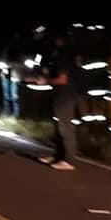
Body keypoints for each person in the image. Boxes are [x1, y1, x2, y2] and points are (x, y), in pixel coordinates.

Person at [38, 34, 82, 170]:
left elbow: (63, 79)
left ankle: (68, 160)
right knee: (59, 128)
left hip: (65, 96)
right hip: (63, 95)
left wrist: (46, 81)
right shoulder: (68, 54)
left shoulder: (64, 56)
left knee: (65, 128)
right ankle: (58, 156)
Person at [1, 32, 22, 116]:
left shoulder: (18, 49)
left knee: (13, 95)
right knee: (8, 95)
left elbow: (20, 62)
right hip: (8, 74)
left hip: (14, 74)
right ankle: (8, 113)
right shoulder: (7, 49)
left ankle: (15, 114)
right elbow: (3, 59)